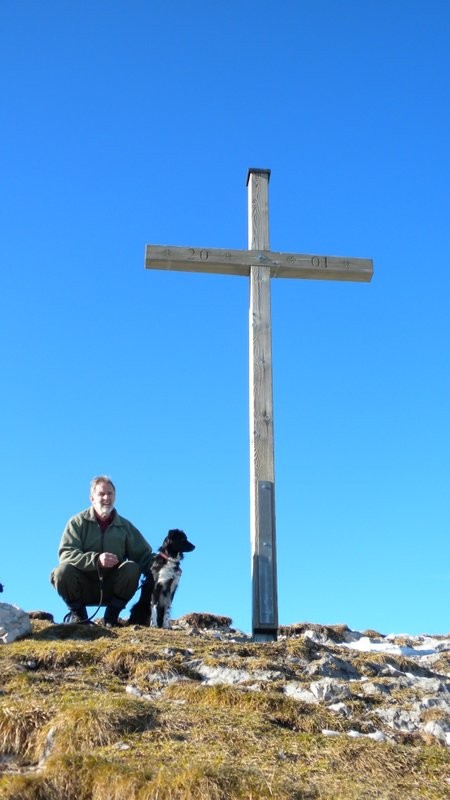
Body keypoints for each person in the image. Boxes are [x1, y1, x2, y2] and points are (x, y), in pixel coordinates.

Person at [50, 476, 154, 627]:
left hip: (111, 586)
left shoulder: (125, 526)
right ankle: (80, 618)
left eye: (110, 493)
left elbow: (144, 556)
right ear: (92, 498)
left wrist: (166, 564)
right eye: (101, 494)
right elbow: (66, 554)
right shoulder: (76, 522)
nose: (106, 498)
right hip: (82, 585)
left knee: (132, 568)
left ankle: (111, 618)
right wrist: (96, 560)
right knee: (61, 572)